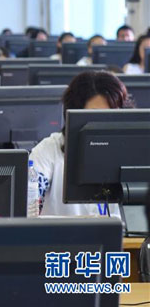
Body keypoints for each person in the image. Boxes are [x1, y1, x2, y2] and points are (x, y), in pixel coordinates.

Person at [29, 71, 132, 216]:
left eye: (112, 114)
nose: (105, 123)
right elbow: (29, 196)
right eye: (96, 114)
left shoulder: (131, 153)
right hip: (61, 238)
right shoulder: (49, 151)